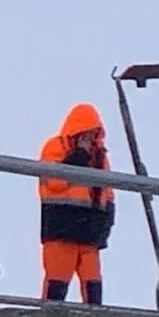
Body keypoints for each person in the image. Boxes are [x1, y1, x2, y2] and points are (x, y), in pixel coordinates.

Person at [37, 103, 116, 303]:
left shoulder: (100, 157)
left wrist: (106, 223)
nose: (89, 139)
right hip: (61, 230)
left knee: (93, 286)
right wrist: (77, 158)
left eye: (93, 133)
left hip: (89, 232)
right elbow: (53, 182)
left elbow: (108, 193)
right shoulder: (55, 147)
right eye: (86, 133)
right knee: (56, 284)